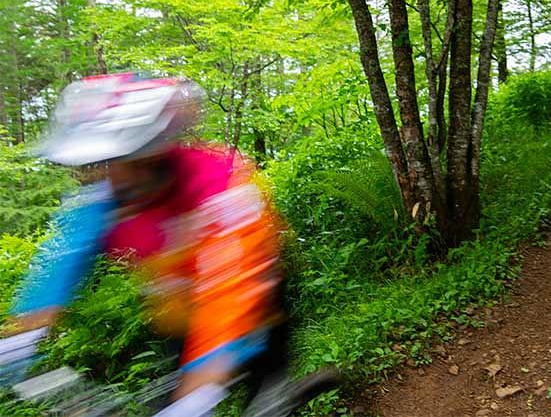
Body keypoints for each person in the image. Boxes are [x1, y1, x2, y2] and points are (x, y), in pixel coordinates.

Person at [1, 72, 337, 415]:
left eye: (111, 164)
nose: (99, 177)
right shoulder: (106, 198)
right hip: (178, 308)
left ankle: (275, 395)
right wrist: (20, 339)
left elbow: (234, 285)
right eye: (93, 166)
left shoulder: (220, 183)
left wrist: (203, 382)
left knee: (261, 392)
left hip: (251, 297)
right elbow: (62, 262)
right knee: (177, 391)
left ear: (151, 155)